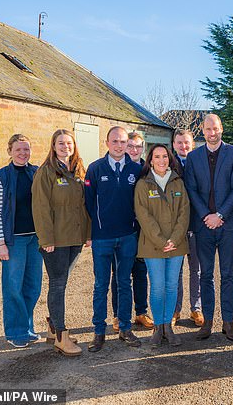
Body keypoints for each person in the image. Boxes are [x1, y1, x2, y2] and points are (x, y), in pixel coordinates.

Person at [184, 113, 233, 341]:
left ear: (222, 129)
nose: (212, 133)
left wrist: (219, 215)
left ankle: (228, 322)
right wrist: (206, 216)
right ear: (202, 129)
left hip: (228, 224)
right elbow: (191, 189)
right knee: (206, 274)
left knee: (228, 274)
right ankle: (207, 322)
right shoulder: (193, 157)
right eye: (208, 129)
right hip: (203, 226)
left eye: (216, 128)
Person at [32, 129, 91, 357]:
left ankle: (52, 326)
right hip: (55, 241)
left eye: (69, 143)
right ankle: (61, 336)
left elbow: (84, 205)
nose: (66, 146)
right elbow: (41, 209)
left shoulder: (78, 171)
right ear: (53, 146)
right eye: (61, 143)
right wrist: (46, 239)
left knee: (61, 283)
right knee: (57, 284)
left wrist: (87, 233)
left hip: (75, 238)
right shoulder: (45, 172)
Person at [85, 126, 143, 351]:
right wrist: (97, 228)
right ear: (107, 143)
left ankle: (125, 328)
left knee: (124, 283)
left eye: (123, 142)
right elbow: (89, 202)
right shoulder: (95, 169)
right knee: (101, 285)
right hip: (102, 238)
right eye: (115, 141)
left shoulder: (135, 169)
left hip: (128, 236)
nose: (119, 146)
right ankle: (99, 331)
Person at [0, 134, 42, 348]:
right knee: (13, 287)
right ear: (9, 151)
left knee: (33, 286)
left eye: (26, 149)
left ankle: (27, 328)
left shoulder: (36, 173)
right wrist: (0, 242)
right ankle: (15, 331)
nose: (23, 153)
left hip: (35, 239)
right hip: (13, 241)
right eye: (18, 149)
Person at [134, 144, 190, 347]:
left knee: (171, 286)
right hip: (153, 245)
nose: (161, 160)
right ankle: (158, 326)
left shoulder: (178, 182)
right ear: (150, 160)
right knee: (157, 288)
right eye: (157, 156)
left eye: (164, 156)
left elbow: (185, 213)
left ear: (170, 159)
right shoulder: (143, 184)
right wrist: (160, 240)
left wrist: (174, 239)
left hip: (177, 244)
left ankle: (168, 326)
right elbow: (143, 216)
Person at [108, 131, 153, 332]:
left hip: (141, 232)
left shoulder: (146, 170)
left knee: (141, 272)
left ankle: (141, 312)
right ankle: (118, 315)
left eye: (138, 146)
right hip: (120, 231)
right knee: (119, 274)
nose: (134, 150)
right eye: (130, 146)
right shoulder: (114, 168)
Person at [172, 129, 204, 327]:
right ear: (174, 144)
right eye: (180, 143)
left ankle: (196, 308)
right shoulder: (168, 164)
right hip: (175, 227)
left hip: (196, 224)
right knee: (176, 271)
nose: (184, 146)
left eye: (187, 143)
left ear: (192, 144)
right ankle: (175, 310)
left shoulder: (198, 163)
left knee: (196, 270)